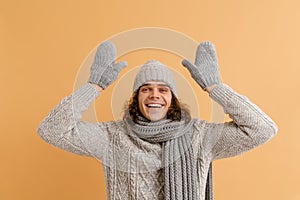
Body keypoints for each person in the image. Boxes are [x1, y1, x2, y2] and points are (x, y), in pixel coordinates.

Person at [37, 41, 278, 200]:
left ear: (172, 99)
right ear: (136, 98)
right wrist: (94, 86)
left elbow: (262, 129)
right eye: (146, 89)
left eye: (163, 89)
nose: (154, 95)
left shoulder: (200, 136)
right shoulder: (112, 137)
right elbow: (51, 130)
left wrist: (215, 87)